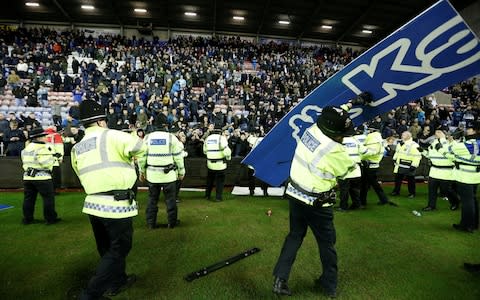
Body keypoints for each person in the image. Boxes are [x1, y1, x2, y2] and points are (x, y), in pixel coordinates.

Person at [272, 105, 357, 298]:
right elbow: (346, 171)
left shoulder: (313, 129)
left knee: (294, 236)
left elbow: (330, 113)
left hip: (295, 194)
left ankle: (280, 279)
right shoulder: (336, 151)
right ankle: (329, 285)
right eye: (342, 134)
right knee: (327, 243)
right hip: (318, 204)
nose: (343, 137)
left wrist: (352, 104)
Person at [71, 100, 147, 299]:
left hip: (93, 204)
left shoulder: (77, 147)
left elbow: (79, 172)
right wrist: (132, 132)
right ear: (101, 121)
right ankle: (90, 295)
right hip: (116, 204)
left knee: (106, 248)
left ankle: (117, 282)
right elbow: (140, 147)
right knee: (120, 248)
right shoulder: (113, 135)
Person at [138, 126, 185, 229]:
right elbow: (178, 157)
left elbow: (142, 158)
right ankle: (171, 223)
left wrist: (142, 172)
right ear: (165, 127)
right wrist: (181, 172)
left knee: (152, 200)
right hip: (169, 176)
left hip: (152, 176)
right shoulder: (171, 138)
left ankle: (151, 223)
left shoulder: (147, 138)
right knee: (170, 200)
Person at [436, 121, 479, 233]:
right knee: (472, 199)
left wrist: (442, 142)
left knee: (467, 202)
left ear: (474, 131)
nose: (466, 130)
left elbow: (447, 151)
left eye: (469, 129)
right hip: (475, 176)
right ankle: (474, 224)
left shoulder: (466, 145)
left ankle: (467, 225)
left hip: (465, 176)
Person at [21, 127, 61, 225]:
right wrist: (54, 158)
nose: (46, 137)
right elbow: (46, 164)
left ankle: (27, 219)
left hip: (28, 177)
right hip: (42, 178)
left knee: (29, 199)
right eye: (44, 136)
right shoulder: (42, 148)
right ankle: (50, 219)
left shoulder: (26, 148)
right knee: (48, 198)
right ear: (38, 138)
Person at [420, 130, 460, 211]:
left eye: (439, 132)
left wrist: (443, 142)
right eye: (436, 132)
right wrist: (423, 152)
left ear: (445, 134)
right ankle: (431, 206)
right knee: (432, 190)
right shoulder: (433, 143)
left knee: (447, 190)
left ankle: (455, 202)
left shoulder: (451, 143)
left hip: (446, 171)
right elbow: (430, 155)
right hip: (434, 170)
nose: (437, 133)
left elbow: (454, 156)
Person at [359, 127, 395, 207]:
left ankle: (363, 202)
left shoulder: (373, 142)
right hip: (373, 165)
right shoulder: (379, 141)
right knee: (373, 184)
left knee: (365, 184)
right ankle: (383, 199)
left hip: (369, 165)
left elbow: (369, 153)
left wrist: (360, 152)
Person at [203, 125, 232, 201]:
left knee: (209, 180)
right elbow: (227, 151)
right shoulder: (221, 138)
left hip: (210, 163)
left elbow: (205, 151)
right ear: (220, 132)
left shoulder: (207, 138)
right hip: (220, 164)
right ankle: (218, 197)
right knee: (219, 181)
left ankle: (207, 195)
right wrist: (228, 158)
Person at [391, 131, 421, 198]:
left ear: (408, 136)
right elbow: (397, 152)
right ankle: (396, 191)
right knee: (398, 179)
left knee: (410, 180)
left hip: (409, 165)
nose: (402, 136)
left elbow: (417, 156)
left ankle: (412, 193)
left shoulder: (414, 145)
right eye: (402, 135)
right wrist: (394, 158)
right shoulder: (400, 144)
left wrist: (414, 165)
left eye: (403, 135)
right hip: (400, 164)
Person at [45, 126, 64, 193]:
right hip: (54, 159)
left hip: (44, 159)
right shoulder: (56, 135)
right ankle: (54, 190)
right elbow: (59, 147)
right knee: (55, 176)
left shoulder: (43, 135)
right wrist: (60, 158)